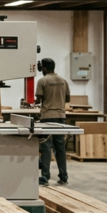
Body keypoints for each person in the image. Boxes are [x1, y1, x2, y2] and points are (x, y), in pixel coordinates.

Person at [37, 58, 70, 186]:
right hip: (61, 117)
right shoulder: (63, 81)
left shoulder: (42, 81)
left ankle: (45, 176)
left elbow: (38, 100)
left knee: (46, 147)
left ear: (44, 68)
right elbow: (67, 99)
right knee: (60, 148)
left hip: (47, 117)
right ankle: (63, 176)